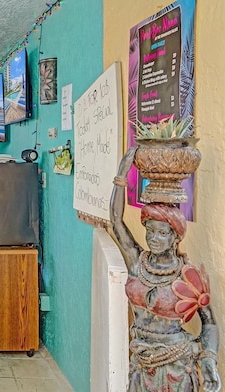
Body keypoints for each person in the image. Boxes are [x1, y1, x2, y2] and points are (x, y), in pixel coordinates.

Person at [110, 147, 221, 392]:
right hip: (141, 361)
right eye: (150, 230)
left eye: (163, 233)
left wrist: (210, 359)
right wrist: (121, 176)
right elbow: (116, 221)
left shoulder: (187, 274)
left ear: (175, 237)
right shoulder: (137, 261)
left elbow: (209, 322)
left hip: (178, 365)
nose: (154, 238)